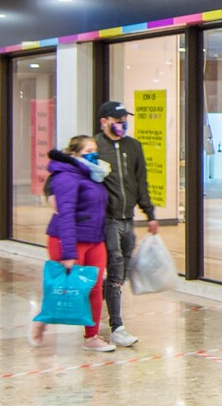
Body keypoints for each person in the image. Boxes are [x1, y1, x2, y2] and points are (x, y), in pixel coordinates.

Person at [37, 135, 117, 352]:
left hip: (94, 240)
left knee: (94, 287)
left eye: (95, 149)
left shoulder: (92, 175)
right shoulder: (66, 177)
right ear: (74, 155)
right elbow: (66, 215)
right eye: (87, 150)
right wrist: (69, 251)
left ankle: (91, 337)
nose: (93, 154)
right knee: (63, 287)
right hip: (68, 240)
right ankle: (41, 322)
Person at [93, 100, 159, 348]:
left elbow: (141, 181)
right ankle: (117, 326)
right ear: (104, 121)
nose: (122, 123)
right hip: (107, 220)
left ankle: (97, 307)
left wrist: (150, 213)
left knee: (119, 273)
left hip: (127, 219)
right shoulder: (95, 146)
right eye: (118, 120)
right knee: (116, 270)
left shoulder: (134, 146)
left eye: (124, 119)